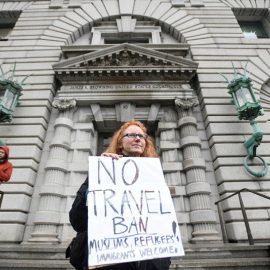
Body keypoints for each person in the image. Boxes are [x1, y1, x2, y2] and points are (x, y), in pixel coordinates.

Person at [69, 120, 171, 270]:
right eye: (131, 135)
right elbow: (78, 221)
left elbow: (163, 223)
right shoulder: (103, 171)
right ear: (119, 144)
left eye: (142, 136)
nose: (138, 138)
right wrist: (99, 179)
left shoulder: (153, 176)